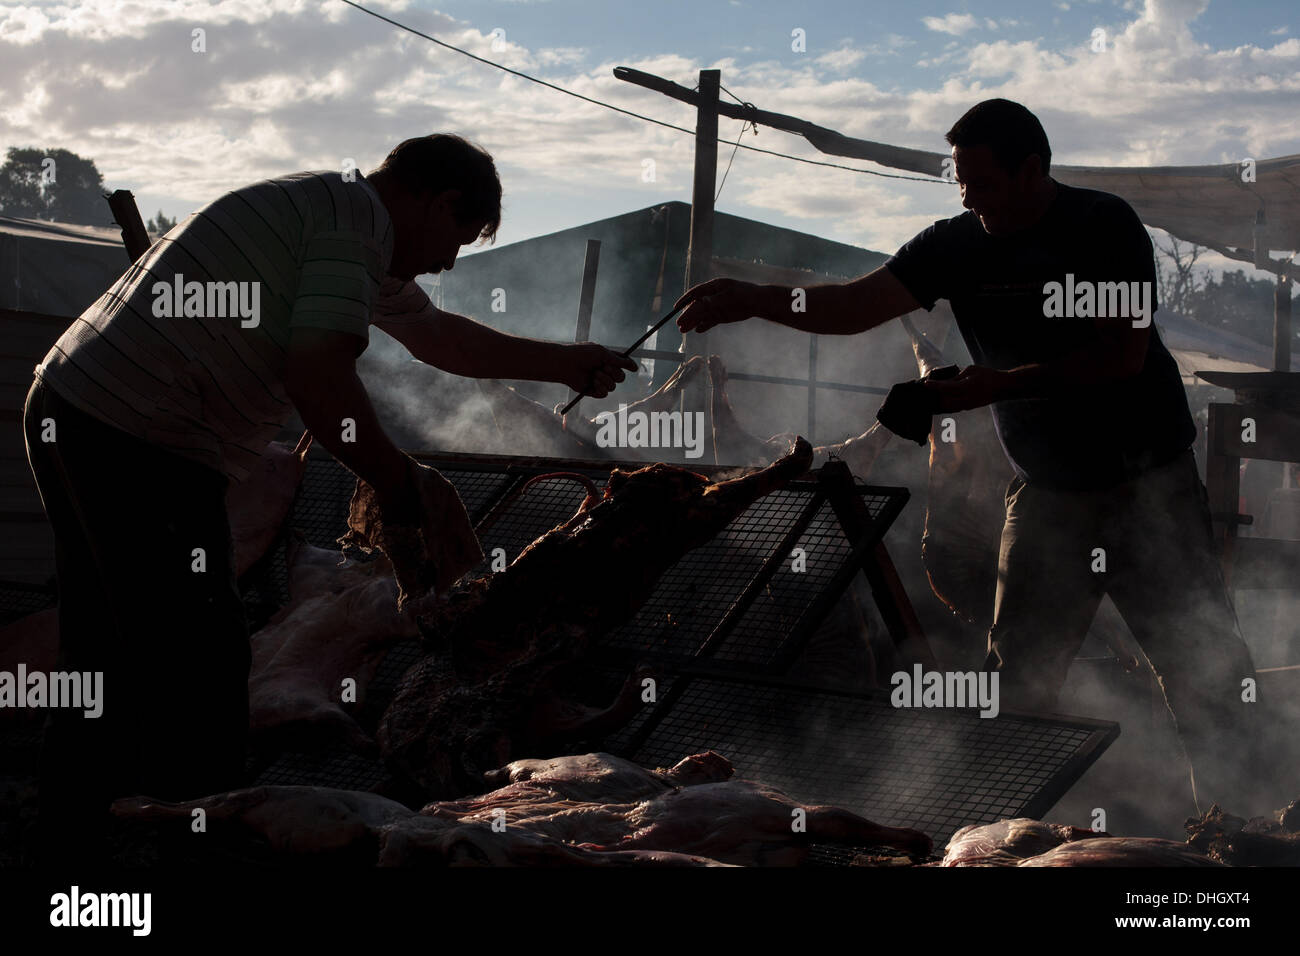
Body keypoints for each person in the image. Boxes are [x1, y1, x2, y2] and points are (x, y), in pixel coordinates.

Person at [23, 133, 636, 858]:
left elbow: (439, 337)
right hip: (139, 433)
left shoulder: (337, 216)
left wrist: (562, 362)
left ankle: (70, 834)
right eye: (457, 238)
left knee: (108, 644)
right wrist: (402, 481)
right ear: (437, 202)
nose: (448, 262)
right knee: (200, 661)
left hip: (74, 404)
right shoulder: (352, 228)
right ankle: (191, 840)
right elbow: (319, 375)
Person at [672, 99, 1259, 815]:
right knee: (1014, 681)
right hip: (1047, 493)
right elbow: (855, 305)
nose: (969, 199)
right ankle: (1002, 839)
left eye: (982, 183)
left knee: (1204, 675)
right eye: (960, 183)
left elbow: (1122, 354)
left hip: (1150, 487)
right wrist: (753, 298)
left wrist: (995, 386)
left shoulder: (1102, 226)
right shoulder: (954, 245)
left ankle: (1243, 837)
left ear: (1032, 170)